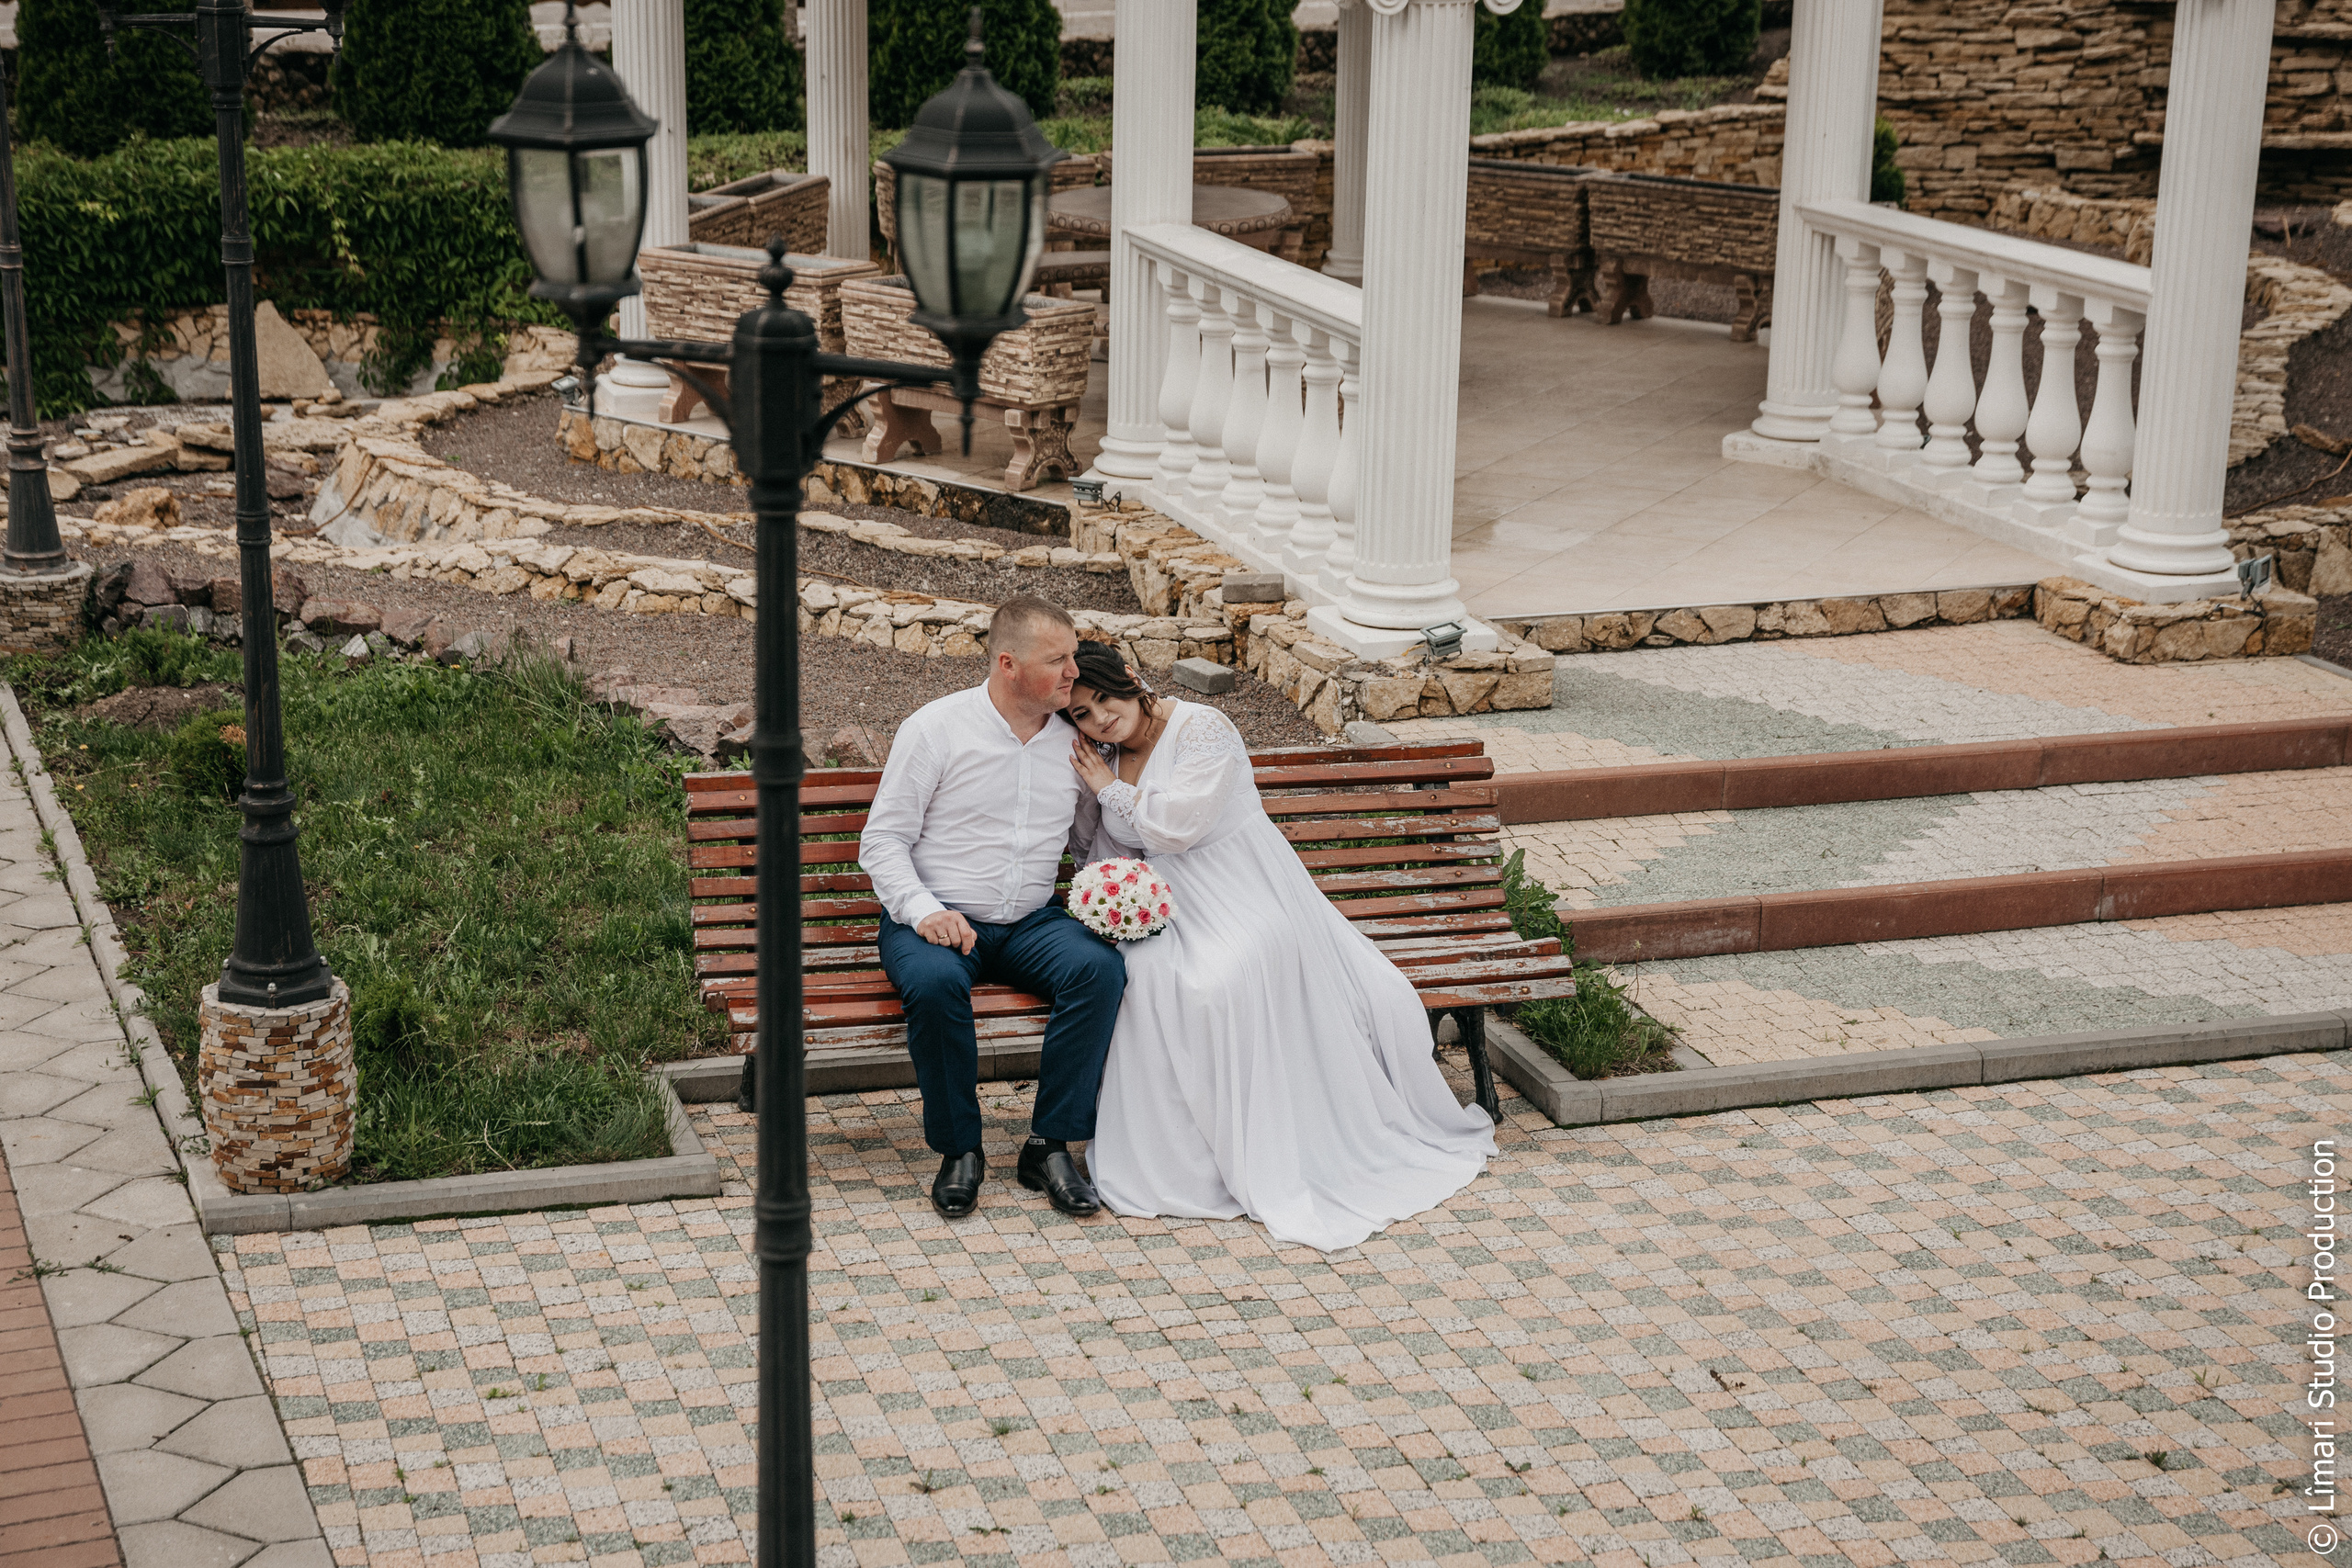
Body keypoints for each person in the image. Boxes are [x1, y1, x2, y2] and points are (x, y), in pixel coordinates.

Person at [1062, 642, 1495, 1252]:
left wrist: (1108, 789)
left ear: (1132, 678)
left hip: (1246, 890)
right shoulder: (1101, 756)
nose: (1100, 717)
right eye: (1082, 712)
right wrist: (1112, 889)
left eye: (1104, 697)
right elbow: (1100, 847)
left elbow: (1179, 825)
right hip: (1171, 905)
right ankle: (1181, 1161)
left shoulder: (1203, 729)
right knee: (1145, 977)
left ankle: (1263, 1146)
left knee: (1221, 981)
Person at [858, 596, 1125, 1220]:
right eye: (1057, 660)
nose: (1072, 672)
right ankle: (961, 1151)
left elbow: (1086, 842)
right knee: (933, 983)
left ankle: (1049, 1145)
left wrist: (1112, 897)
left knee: (1099, 970)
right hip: (937, 919)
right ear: (1008, 663)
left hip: (1031, 922)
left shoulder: (1075, 743)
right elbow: (884, 840)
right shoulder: (936, 729)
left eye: (1074, 656)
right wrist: (924, 910)